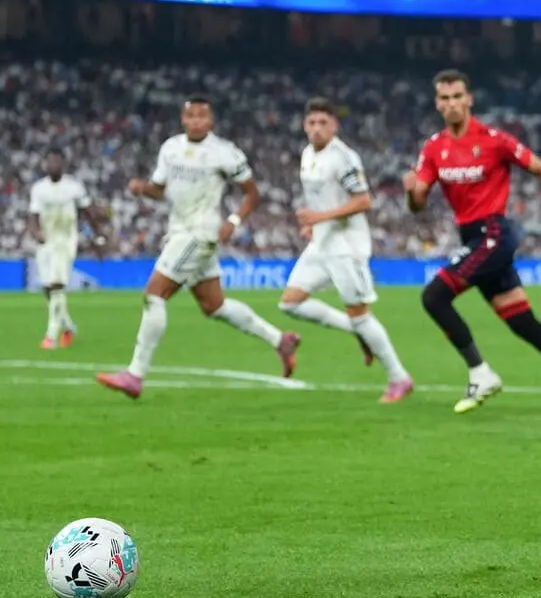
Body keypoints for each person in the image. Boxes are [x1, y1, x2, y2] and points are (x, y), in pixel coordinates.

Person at [403, 69, 541, 420]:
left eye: (458, 96)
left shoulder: (494, 140)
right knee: (522, 322)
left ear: (468, 99)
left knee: (434, 296)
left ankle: (480, 374)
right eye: (445, 98)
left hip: (494, 233)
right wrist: (412, 191)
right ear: (437, 103)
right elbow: (418, 204)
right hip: (472, 238)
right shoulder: (434, 147)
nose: (452, 103)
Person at [96, 96, 300, 399]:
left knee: (154, 294)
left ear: (211, 120)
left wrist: (233, 220)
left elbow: (251, 194)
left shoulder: (224, 153)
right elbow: (159, 191)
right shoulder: (171, 148)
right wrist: (142, 189)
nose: (195, 120)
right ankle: (280, 340)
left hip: (199, 233)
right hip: (178, 231)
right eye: (190, 115)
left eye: (201, 115)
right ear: (183, 119)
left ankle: (135, 375)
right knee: (214, 306)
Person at [278, 97, 413, 403]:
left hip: (346, 247)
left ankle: (399, 378)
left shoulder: (344, 158)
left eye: (323, 123)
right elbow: (320, 197)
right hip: (321, 242)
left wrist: (319, 217)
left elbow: (363, 201)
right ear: (304, 125)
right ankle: (357, 332)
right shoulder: (307, 154)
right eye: (311, 123)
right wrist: (313, 224)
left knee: (361, 315)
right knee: (290, 304)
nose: (316, 129)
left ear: (334, 125)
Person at [27, 150, 106, 349]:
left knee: (56, 285)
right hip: (46, 241)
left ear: (63, 164)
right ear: (45, 164)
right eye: (50, 161)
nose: (53, 164)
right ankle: (69, 327)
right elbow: (33, 215)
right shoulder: (39, 188)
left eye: (57, 161)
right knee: (48, 288)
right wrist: (36, 233)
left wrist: (99, 237)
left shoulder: (73, 187)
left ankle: (51, 336)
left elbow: (88, 212)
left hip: (65, 240)